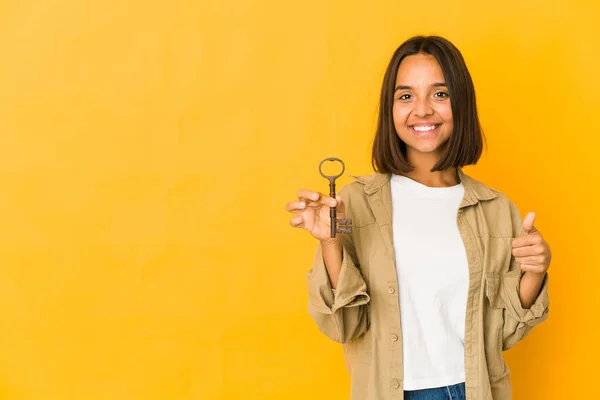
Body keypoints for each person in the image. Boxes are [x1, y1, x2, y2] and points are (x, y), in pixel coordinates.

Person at [285, 35, 551, 400]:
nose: (422, 109)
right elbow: (343, 326)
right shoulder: (355, 204)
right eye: (406, 96)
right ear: (389, 108)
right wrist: (331, 241)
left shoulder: (496, 209)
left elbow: (503, 334)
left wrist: (534, 271)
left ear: (461, 103)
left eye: (440, 94)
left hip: (472, 390)